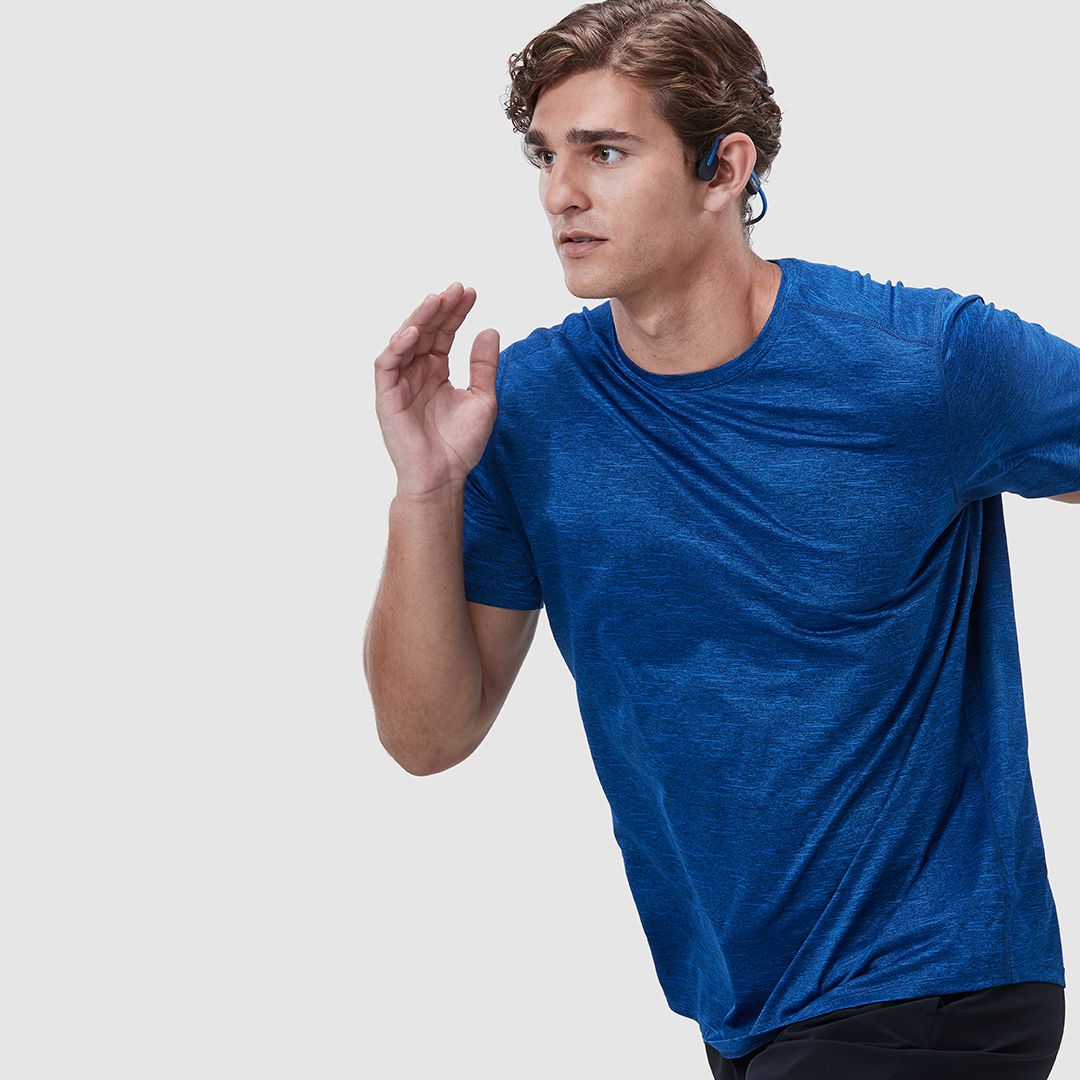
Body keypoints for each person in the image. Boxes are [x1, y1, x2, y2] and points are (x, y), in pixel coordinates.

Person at [364, 0, 1080, 1075]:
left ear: (723, 168)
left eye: (606, 152)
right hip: (740, 1008)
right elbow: (427, 737)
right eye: (546, 155)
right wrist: (424, 491)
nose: (561, 193)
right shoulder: (529, 410)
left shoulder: (922, 363)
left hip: (932, 986)